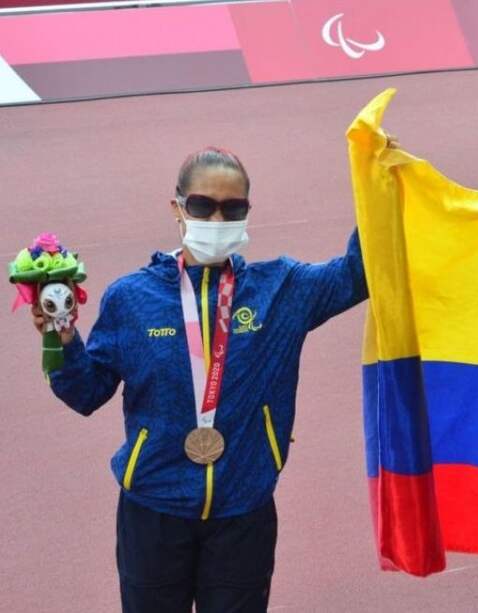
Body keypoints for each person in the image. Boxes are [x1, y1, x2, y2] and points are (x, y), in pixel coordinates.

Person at [30, 147, 368, 613]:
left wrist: (378, 183)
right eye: (202, 205)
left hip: (242, 509)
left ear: (248, 212)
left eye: (233, 208)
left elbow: (360, 273)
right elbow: (85, 392)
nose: (217, 216)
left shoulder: (283, 290)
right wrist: (59, 337)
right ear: (177, 208)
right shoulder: (132, 298)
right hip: (153, 509)